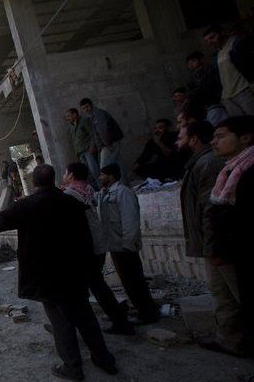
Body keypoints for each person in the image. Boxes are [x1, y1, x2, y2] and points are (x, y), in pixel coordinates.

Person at [0, 165, 117, 382]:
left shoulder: (27, 206)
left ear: (34, 182)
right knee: (85, 316)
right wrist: (88, 267)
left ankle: (73, 367)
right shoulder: (71, 203)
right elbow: (86, 238)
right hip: (74, 272)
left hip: (46, 276)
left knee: (60, 322)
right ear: (54, 179)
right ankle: (104, 359)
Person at [177, 121, 246, 355]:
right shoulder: (216, 164)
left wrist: (214, 247)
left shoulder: (209, 163)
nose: (178, 139)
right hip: (217, 244)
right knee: (223, 296)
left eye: (181, 133)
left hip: (223, 245)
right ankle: (232, 340)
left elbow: (212, 211)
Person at [62, 163, 134, 335]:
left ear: (71, 175)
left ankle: (72, 327)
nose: (64, 176)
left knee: (89, 288)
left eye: (65, 173)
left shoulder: (70, 194)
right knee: (96, 285)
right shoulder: (89, 190)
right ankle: (118, 319)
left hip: (86, 248)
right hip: (98, 245)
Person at [210, 116, 254, 357]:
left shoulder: (247, 171)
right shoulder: (230, 170)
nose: (214, 142)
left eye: (221, 136)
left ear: (245, 137)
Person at [97, 164, 160, 324]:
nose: (99, 178)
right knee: (128, 282)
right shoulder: (106, 193)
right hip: (115, 245)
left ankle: (147, 313)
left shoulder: (123, 192)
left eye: (102, 175)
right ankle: (142, 310)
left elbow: (130, 221)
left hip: (125, 247)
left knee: (135, 281)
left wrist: (128, 244)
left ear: (111, 176)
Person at [203, 25, 254, 116]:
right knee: (239, 126)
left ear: (222, 33)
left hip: (244, 89)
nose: (210, 42)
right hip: (228, 96)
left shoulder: (237, 43)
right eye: (207, 41)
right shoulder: (217, 54)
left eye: (212, 37)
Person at [186, 51, 227, 126]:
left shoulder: (210, 69)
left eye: (193, 61)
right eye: (189, 64)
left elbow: (214, 84)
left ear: (201, 60)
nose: (191, 65)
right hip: (204, 105)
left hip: (216, 99)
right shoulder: (192, 78)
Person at [80, 98, 124, 168]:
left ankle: (123, 179)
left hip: (109, 143)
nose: (86, 109)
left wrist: (107, 144)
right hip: (109, 143)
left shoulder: (98, 113)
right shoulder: (92, 116)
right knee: (118, 162)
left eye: (87, 106)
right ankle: (124, 179)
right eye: (83, 108)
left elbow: (103, 130)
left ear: (92, 105)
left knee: (104, 167)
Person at [66, 108, 100, 185]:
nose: (67, 118)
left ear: (74, 114)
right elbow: (75, 142)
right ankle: (96, 192)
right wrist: (77, 155)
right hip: (81, 154)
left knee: (95, 172)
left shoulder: (84, 121)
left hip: (88, 151)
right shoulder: (72, 127)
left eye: (69, 116)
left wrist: (92, 146)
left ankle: (103, 189)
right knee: (88, 175)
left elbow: (93, 134)